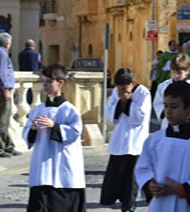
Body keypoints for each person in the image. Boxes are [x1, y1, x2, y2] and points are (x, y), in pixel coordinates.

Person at [135, 81, 190, 212]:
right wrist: (149, 185)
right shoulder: (154, 140)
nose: (168, 112)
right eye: (166, 106)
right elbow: (143, 168)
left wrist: (180, 189)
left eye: (174, 106)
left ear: (189, 108)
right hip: (160, 205)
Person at [22, 63, 85, 211]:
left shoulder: (70, 110)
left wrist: (54, 126)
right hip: (42, 167)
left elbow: (75, 133)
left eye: (49, 82)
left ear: (60, 83)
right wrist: (32, 129)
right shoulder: (38, 109)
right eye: (43, 81)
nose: (45, 85)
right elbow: (26, 134)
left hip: (63, 168)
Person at [100, 68, 151, 212]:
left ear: (132, 82)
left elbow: (139, 118)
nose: (121, 90)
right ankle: (112, 198)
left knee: (131, 176)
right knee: (116, 174)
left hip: (136, 140)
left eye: (124, 87)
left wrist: (128, 101)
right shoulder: (117, 92)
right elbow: (111, 116)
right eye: (118, 87)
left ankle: (129, 203)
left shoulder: (143, 93)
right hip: (119, 139)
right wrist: (120, 102)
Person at [153, 53, 190, 129]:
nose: (176, 76)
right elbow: (158, 103)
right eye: (173, 72)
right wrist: (165, 113)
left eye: (180, 73)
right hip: (168, 123)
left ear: (187, 71)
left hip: (186, 124)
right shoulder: (163, 86)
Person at [0, 32, 20, 158]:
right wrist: (5, 89)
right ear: (8, 44)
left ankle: (9, 146)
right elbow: (1, 72)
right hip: (3, 91)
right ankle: (2, 148)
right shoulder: (2, 53)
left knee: (5, 120)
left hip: (3, 90)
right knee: (3, 120)